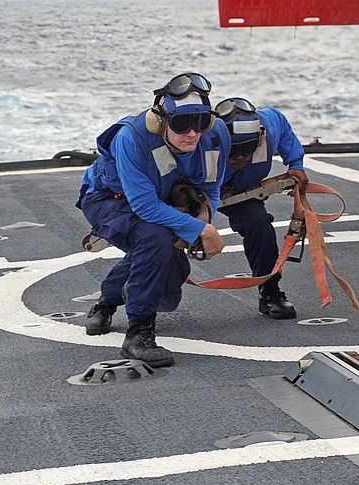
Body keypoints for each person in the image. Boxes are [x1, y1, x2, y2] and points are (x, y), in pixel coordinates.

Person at [76, 73, 230, 367]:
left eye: (201, 122)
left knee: (168, 287)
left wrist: (203, 215)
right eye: (183, 124)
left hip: (159, 201)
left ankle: (108, 300)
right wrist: (202, 229)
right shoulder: (131, 138)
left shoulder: (215, 134)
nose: (193, 134)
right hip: (111, 201)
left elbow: (210, 187)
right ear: (161, 122)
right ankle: (138, 335)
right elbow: (145, 206)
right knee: (156, 238)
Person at [215, 97, 310, 320]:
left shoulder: (268, 125)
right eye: (234, 150)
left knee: (260, 226)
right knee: (162, 242)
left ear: (260, 137)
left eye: (247, 149)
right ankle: (117, 299)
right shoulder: (203, 137)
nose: (240, 156)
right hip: (196, 192)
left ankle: (270, 293)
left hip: (241, 191)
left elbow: (281, 122)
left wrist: (295, 163)